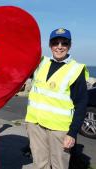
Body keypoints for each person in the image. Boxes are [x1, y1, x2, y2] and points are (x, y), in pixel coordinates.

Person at [25, 28, 89, 169]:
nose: (59, 47)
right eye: (55, 42)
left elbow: (81, 104)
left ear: (69, 45)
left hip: (59, 129)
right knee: (39, 163)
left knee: (59, 165)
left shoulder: (75, 69)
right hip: (35, 125)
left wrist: (72, 133)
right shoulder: (41, 63)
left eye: (64, 43)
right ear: (50, 45)